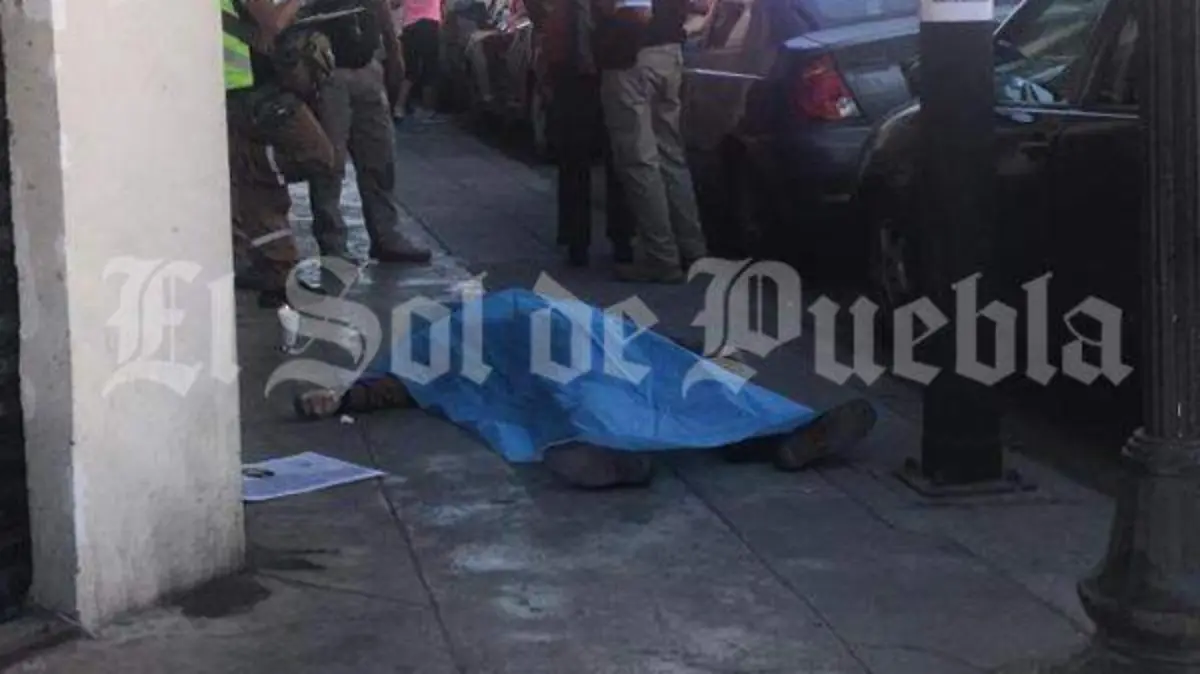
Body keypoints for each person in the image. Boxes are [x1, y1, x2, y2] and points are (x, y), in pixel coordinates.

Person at [291, 288, 877, 488]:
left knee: (617, 387)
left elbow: (396, 382)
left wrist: (342, 397)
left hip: (577, 341)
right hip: (575, 346)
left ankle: (620, 454)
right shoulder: (446, 335)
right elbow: (396, 380)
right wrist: (343, 396)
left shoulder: (446, 335)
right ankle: (785, 432)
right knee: (661, 384)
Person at [223, 0, 339, 308]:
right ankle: (255, 165)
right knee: (318, 155)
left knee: (264, 195)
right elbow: (273, 23)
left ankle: (277, 273)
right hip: (251, 87)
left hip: (246, 85)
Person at [304, 0, 435, 264]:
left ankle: (385, 234)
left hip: (365, 62)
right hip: (327, 69)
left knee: (379, 155)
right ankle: (333, 245)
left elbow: (380, 5)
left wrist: (393, 48)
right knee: (329, 163)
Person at [595, 0, 707, 283]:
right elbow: (701, 6)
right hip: (668, 53)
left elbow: (639, 11)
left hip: (632, 58)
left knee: (639, 161)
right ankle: (693, 250)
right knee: (670, 157)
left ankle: (661, 258)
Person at [534, 0, 635, 267]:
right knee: (613, 152)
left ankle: (580, 241)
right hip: (604, 61)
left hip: (580, 63)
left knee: (577, 157)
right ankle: (619, 240)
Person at [394, 0, 445, 120]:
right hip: (431, 23)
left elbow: (394, 4)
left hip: (410, 26)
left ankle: (399, 107)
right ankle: (427, 108)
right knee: (430, 68)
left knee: (410, 70)